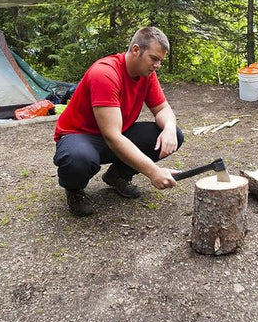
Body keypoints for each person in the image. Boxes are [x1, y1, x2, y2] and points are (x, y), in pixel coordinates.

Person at [53, 26, 184, 217]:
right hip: (80, 136)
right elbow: (112, 136)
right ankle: (74, 189)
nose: (157, 65)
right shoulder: (105, 73)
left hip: (115, 134)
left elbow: (163, 109)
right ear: (136, 50)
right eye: (154, 58)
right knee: (78, 159)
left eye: (160, 61)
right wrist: (153, 171)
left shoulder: (147, 74)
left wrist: (170, 127)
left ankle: (118, 176)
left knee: (173, 135)